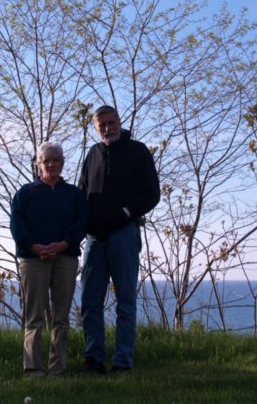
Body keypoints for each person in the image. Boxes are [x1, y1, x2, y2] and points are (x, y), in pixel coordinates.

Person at [79, 105, 160, 374]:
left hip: (124, 234)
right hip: (94, 238)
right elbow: (81, 194)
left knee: (125, 300)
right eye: (101, 125)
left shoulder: (138, 151)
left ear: (119, 122)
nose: (107, 128)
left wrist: (126, 213)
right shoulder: (92, 154)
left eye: (111, 122)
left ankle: (122, 361)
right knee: (90, 301)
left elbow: (151, 194)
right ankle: (93, 358)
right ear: (95, 127)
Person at [10, 142, 88, 377]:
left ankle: (57, 368)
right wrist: (34, 247)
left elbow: (82, 222)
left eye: (56, 160)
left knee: (61, 317)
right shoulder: (25, 193)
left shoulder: (74, 194)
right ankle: (33, 368)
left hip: (65, 258)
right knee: (34, 317)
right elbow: (16, 225)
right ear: (38, 164)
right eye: (47, 161)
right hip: (33, 260)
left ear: (62, 163)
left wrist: (64, 243)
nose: (51, 164)